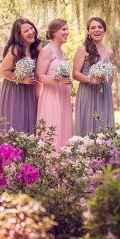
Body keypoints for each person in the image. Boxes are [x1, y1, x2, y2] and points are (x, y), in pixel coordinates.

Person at [0, 17, 42, 133]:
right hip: (15, 91)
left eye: (31, 28)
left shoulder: (35, 48)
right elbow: (2, 71)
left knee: (30, 124)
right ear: (19, 35)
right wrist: (22, 80)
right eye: (26, 31)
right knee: (16, 123)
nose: (31, 32)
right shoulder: (15, 49)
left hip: (30, 91)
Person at [73, 17, 115, 135]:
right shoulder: (82, 49)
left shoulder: (109, 52)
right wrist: (90, 79)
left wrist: (107, 88)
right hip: (87, 92)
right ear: (88, 31)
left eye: (100, 27)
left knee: (104, 124)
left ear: (104, 31)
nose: (97, 30)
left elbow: (111, 75)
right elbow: (75, 74)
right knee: (87, 124)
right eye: (93, 28)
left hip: (104, 93)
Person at [36, 18, 73, 150]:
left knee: (63, 125)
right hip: (51, 95)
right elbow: (39, 75)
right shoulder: (47, 50)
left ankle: (63, 161)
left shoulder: (62, 52)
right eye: (64, 29)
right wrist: (57, 82)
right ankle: (50, 163)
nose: (67, 32)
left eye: (67, 29)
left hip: (63, 95)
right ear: (54, 32)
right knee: (53, 126)